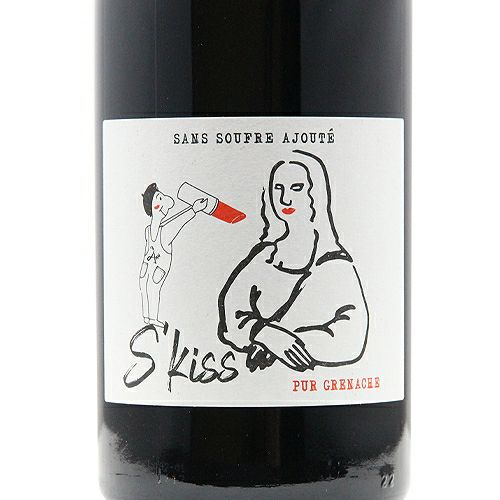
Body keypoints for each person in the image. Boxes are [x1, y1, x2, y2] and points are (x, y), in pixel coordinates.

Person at [218, 150, 369, 372]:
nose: (284, 199)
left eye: (296, 188)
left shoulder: (335, 265)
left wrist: (286, 343)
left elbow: (351, 337)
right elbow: (231, 315)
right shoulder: (264, 256)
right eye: (278, 188)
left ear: (315, 194)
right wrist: (266, 335)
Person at [140, 183, 207, 327]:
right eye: (160, 197)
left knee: (146, 288)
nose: (164, 198)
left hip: (148, 265)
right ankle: (153, 318)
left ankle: (147, 317)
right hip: (157, 266)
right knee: (153, 289)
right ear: (156, 206)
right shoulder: (165, 232)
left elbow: (174, 221)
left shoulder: (148, 230)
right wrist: (194, 209)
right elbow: (179, 221)